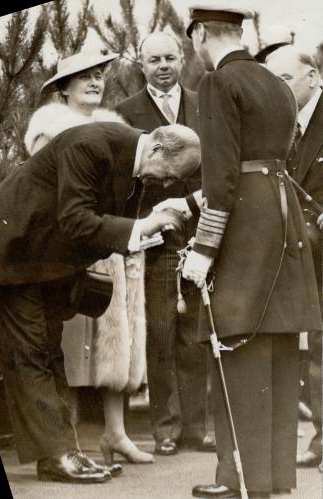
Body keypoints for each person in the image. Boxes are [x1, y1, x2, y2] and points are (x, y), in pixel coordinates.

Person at [155, 2, 321, 498]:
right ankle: (269, 478)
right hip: (281, 218)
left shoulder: (216, 84)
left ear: (200, 32)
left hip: (243, 227)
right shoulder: (274, 80)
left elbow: (221, 175)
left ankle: (239, 481)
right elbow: (285, 158)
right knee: (276, 351)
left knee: (237, 347)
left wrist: (204, 247)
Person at [0, 120, 200, 483]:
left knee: (47, 351)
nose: (166, 185)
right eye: (169, 175)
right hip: (16, 253)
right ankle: (58, 455)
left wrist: (139, 231)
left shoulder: (133, 165)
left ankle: (63, 453)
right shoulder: (92, 145)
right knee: (32, 353)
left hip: (42, 261)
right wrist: (142, 227)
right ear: (155, 149)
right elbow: (75, 219)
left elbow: (101, 225)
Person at [25, 50, 154, 467]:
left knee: (117, 340)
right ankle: (70, 440)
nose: (95, 82)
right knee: (74, 345)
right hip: (69, 247)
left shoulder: (113, 129)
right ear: (62, 87)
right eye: (84, 77)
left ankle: (116, 433)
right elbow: (52, 201)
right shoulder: (49, 130)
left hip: (111, 242)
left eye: (100, 76)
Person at [116, 31, 214, 456]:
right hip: (155, 238)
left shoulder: (204, 105)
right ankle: (166, 428)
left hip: (200, 236)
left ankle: (197, 427)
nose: (163, 66)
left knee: (196, 336)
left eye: (170, 58)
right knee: (159, 333)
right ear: (141, 64)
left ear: (181, 59)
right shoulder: (125, 112)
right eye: (153, 59)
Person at [266, 45, 323, 471]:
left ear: (314, 76)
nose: (276, 89)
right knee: (316, 348)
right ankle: (322, 440)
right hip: (299, 248)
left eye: (284, 79)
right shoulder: (276, 124)